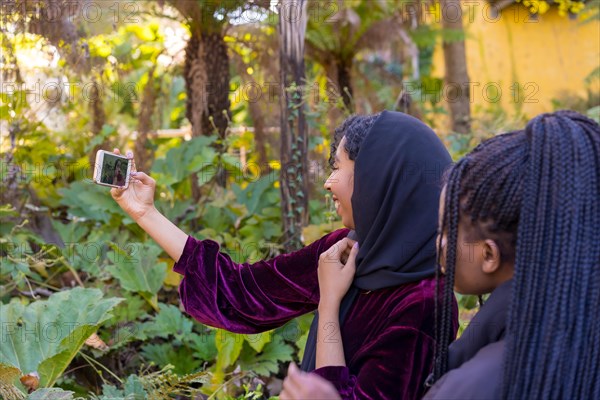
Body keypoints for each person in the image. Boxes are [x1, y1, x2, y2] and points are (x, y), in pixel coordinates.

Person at [110, 111, 455, 399]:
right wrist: (146, 214)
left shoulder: (425, 303)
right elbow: (241, 293)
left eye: (337, 167)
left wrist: (329, 305)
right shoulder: (343, 250)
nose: (327, 182)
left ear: (379, 180)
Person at [281, 110, 600, 399]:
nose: (437, 243)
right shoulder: (570, 337)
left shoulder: (471, 382)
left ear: (489, 255)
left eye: (447, 229)